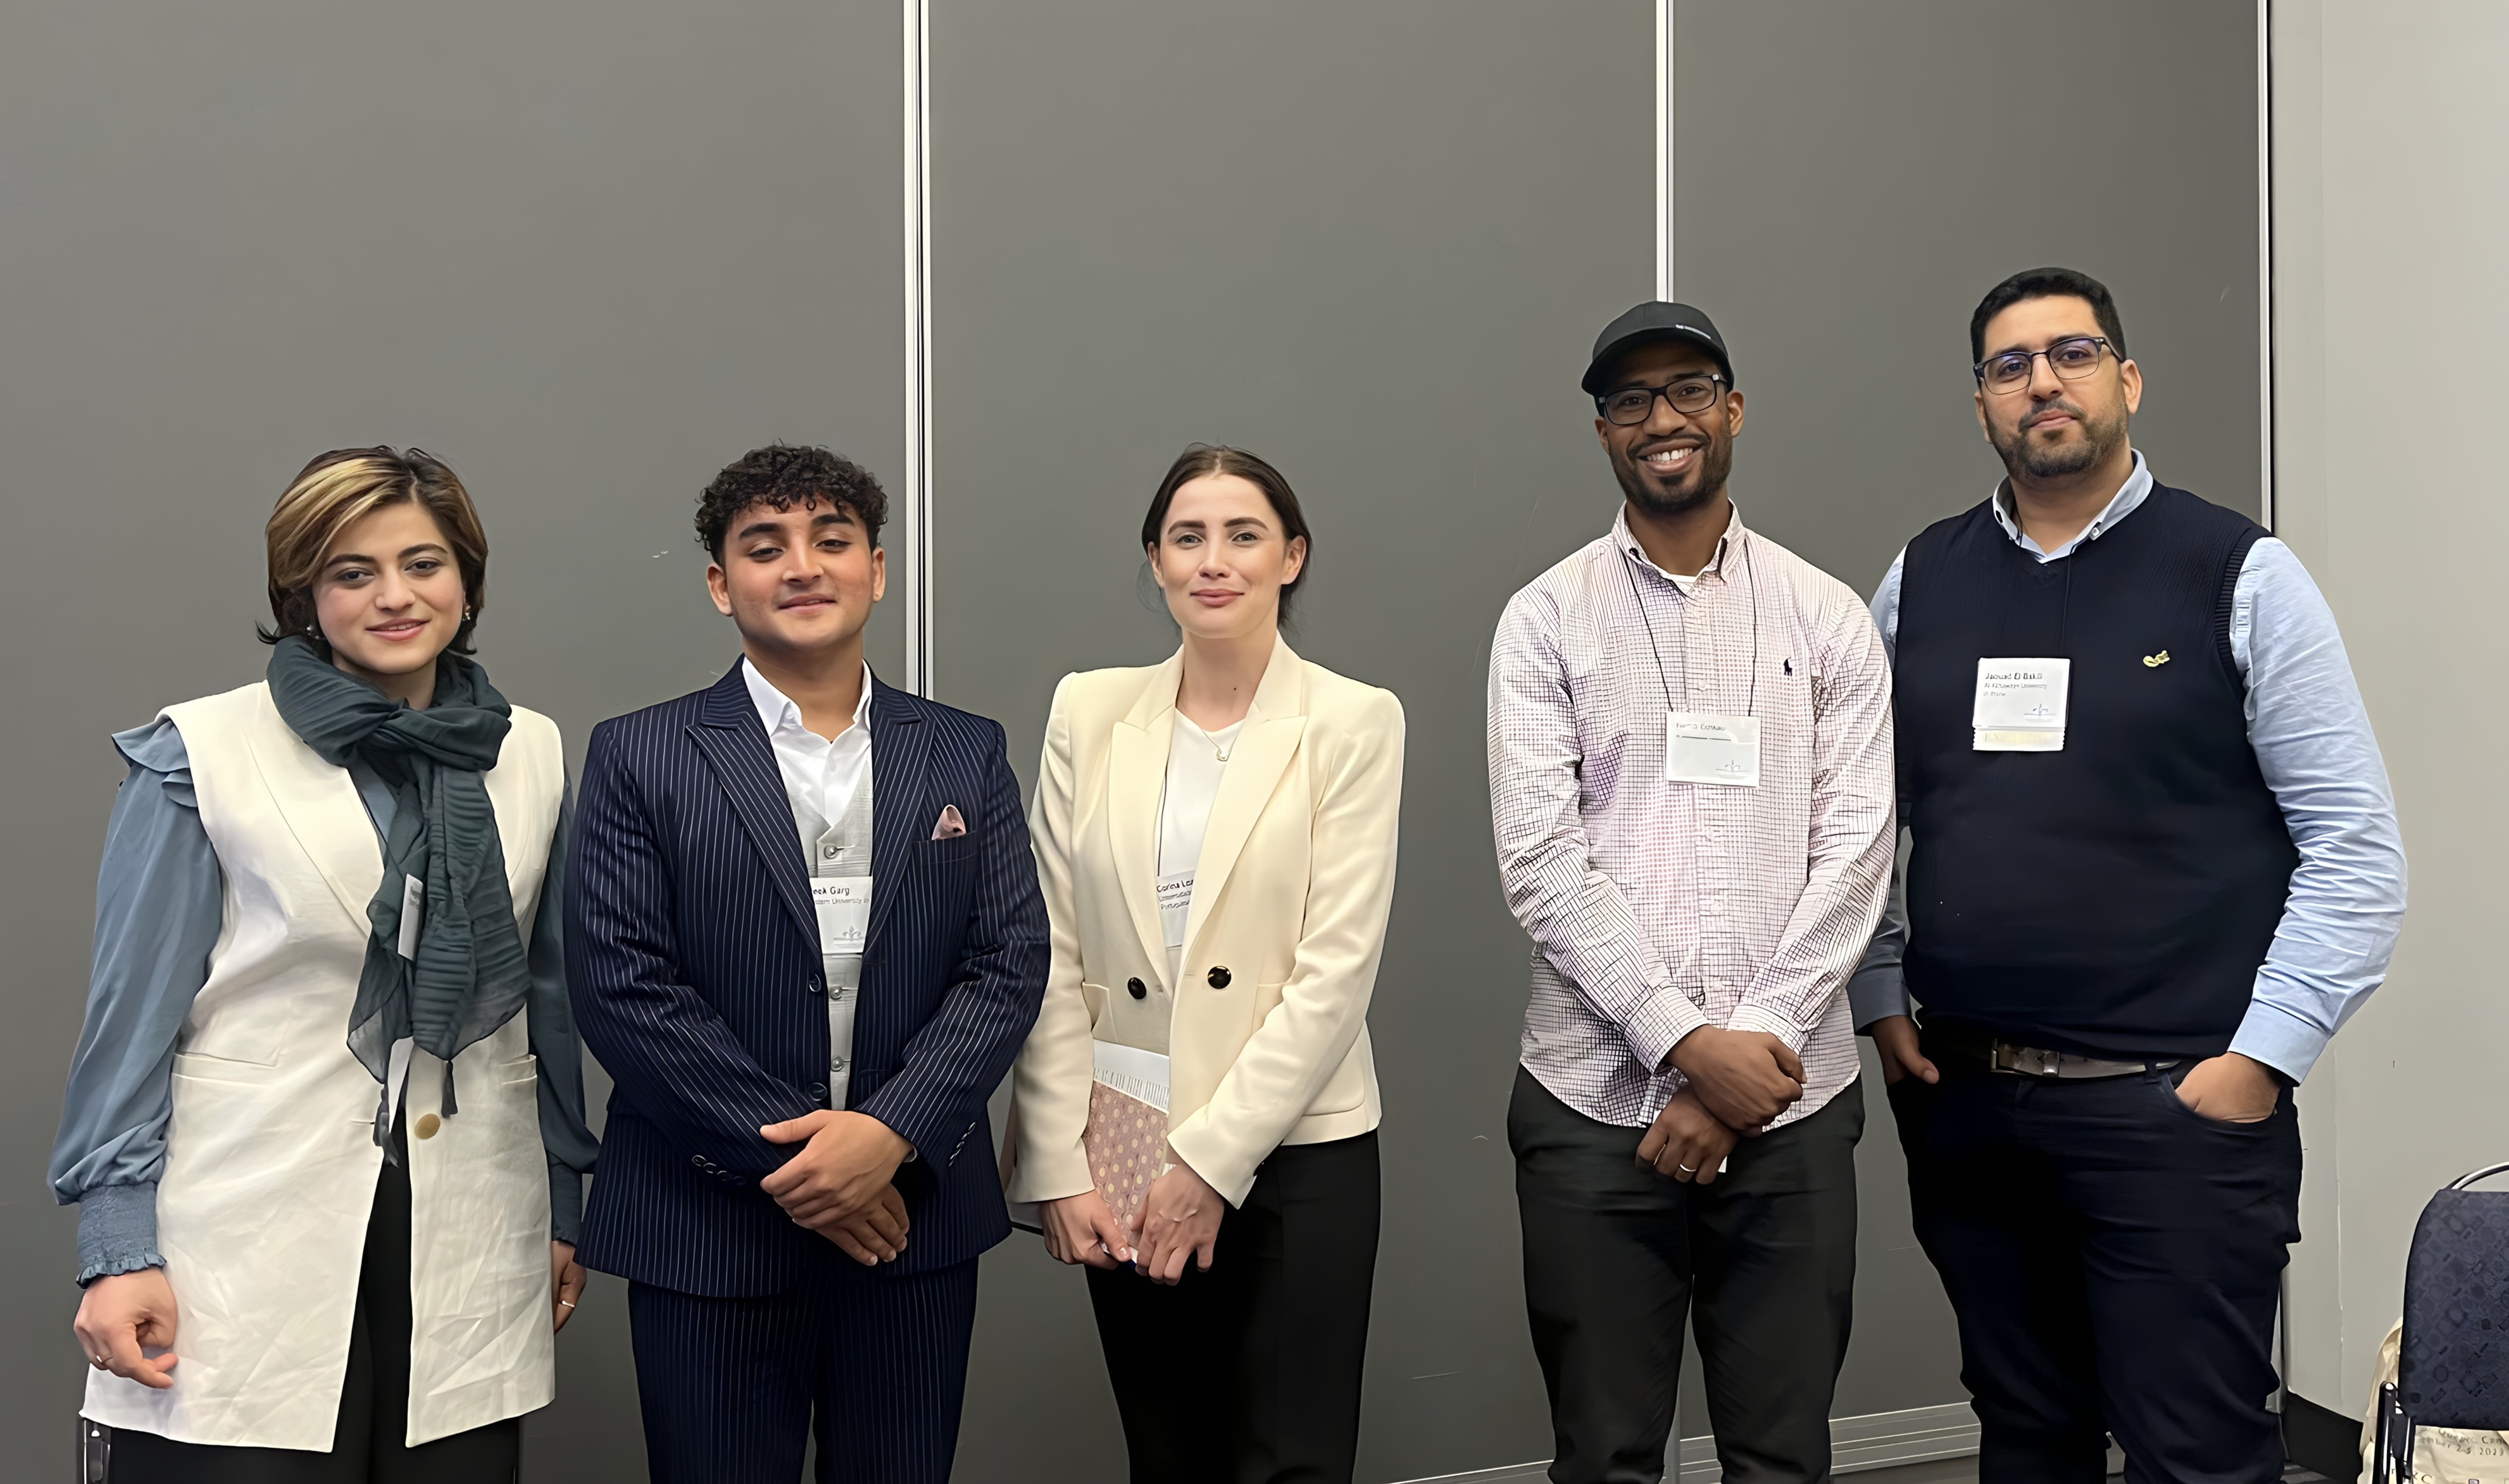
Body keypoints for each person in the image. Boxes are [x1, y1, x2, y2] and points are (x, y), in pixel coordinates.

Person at [1851, 267, 2405, 1484]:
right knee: (2027, 1440)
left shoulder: (2241, 575)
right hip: (1973, 1107)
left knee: (2194, 1453)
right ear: (1982, 403)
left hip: (2175, 1114)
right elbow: (1853, 820)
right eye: (2010, 364)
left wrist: (2258, 1063)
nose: (2042, 381)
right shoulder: (1919, 584)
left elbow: (2357, 850)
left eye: (2074, 352)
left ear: (2128, 379)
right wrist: (1879, 995)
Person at [51, 447, 596, 1481]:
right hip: (248, 1224)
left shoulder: (529, 747)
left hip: (471, 1217)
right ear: (302, 593)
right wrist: (118, 1247)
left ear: (468, 582)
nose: (395, 596)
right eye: (353, 572)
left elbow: (548, 997)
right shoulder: (201, 750)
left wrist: (564, 1202)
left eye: (425, 563)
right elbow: (131, 1014)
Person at [566, 443, 1047, 1483]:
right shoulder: (638, 753)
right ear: (718, 582)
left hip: (910, 1222)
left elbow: (1007, 962)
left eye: (832, 541)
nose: (802, 566)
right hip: (707, 1226)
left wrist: (890, 1132)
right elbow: (622, 984)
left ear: (876, 568)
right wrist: (809, 1165)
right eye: (765, 546)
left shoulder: (966, 749)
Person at [1487, 303, 1895, 1483]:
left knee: (1781, 1453)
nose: (1662, 420)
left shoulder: (1825, 616)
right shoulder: (1545, 619)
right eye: (1630, 401)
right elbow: (1541, 861)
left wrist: (1746, 1056)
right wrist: (1685, 1043)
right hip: (1590, 1109)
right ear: (1604, 431)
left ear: (1734, 409)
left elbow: (1860, 847)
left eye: (1688, 390)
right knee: (1605, 1454)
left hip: (1792, 1109)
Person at [1010, 444, 1405, 1484]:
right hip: (1129, 1135)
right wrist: (1058, 1160)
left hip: (1304, 1147)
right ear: (1155, 560)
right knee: (1170, 1453)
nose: (1213, 559)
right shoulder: (1089, 711)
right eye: (1188, 536)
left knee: (1294, 1461)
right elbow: (1051, 945)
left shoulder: (1354, 720)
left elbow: (1335, 972)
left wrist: (1210, 1166)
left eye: (1244, 534)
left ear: (1293, 557)